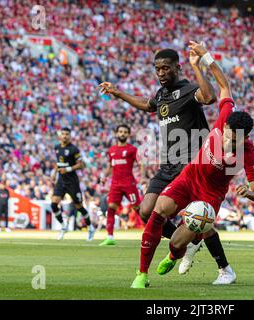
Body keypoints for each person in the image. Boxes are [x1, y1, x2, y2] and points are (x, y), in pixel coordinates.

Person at [131, 42, 254, 288]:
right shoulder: (225, 116)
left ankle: (183, 255)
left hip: (209, 196)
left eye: (234, 138)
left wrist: (250, 193)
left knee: (176, 244)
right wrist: (205, 57)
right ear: (224, 125)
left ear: (244, 138)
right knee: (156, 211)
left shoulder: (247, 152)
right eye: (226, 133)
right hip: (189, 177)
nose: (227, 139)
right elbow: (224, 85)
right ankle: (141, 275)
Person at [99, 47, 234, 281]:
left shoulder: (189, 89)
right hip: (168, 164)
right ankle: (188, 243)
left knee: (200, 218)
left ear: (177, 67)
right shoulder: (162, 94)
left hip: (192, 163)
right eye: (157, 68)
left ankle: (223, 267)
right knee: (146, 210)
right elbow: (147, 104)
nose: (161, 73)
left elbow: (210, 97)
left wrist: (197, 66)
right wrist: (117, 93)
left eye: (166, 68)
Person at [99, 124, 143, 246]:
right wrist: (104, 176)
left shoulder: (132, 149)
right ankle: (110, 237)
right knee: (111, 208)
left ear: (128, 135)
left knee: (138, 209)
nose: (122, 134)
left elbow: (141, 164)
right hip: (115, 184)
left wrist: (143, 177)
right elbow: (110, 166)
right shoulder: (111, 150)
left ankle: (154, 231)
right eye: (120, 131)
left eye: (125, 132)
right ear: (116, 133)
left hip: (129, 184)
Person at [50, 127, 95, 241]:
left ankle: (90, 227)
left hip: (72, 182)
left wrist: (68, 169)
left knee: (79, 206)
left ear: (70, 136)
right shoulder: (57, 147)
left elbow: (81, 164)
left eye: (67, 134)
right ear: (60, 135)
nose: (64, 136)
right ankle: (63, 226)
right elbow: (58, 162)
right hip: (61, 181)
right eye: (63, 134)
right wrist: (54, 173)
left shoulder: (74, 149)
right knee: (54, 203)